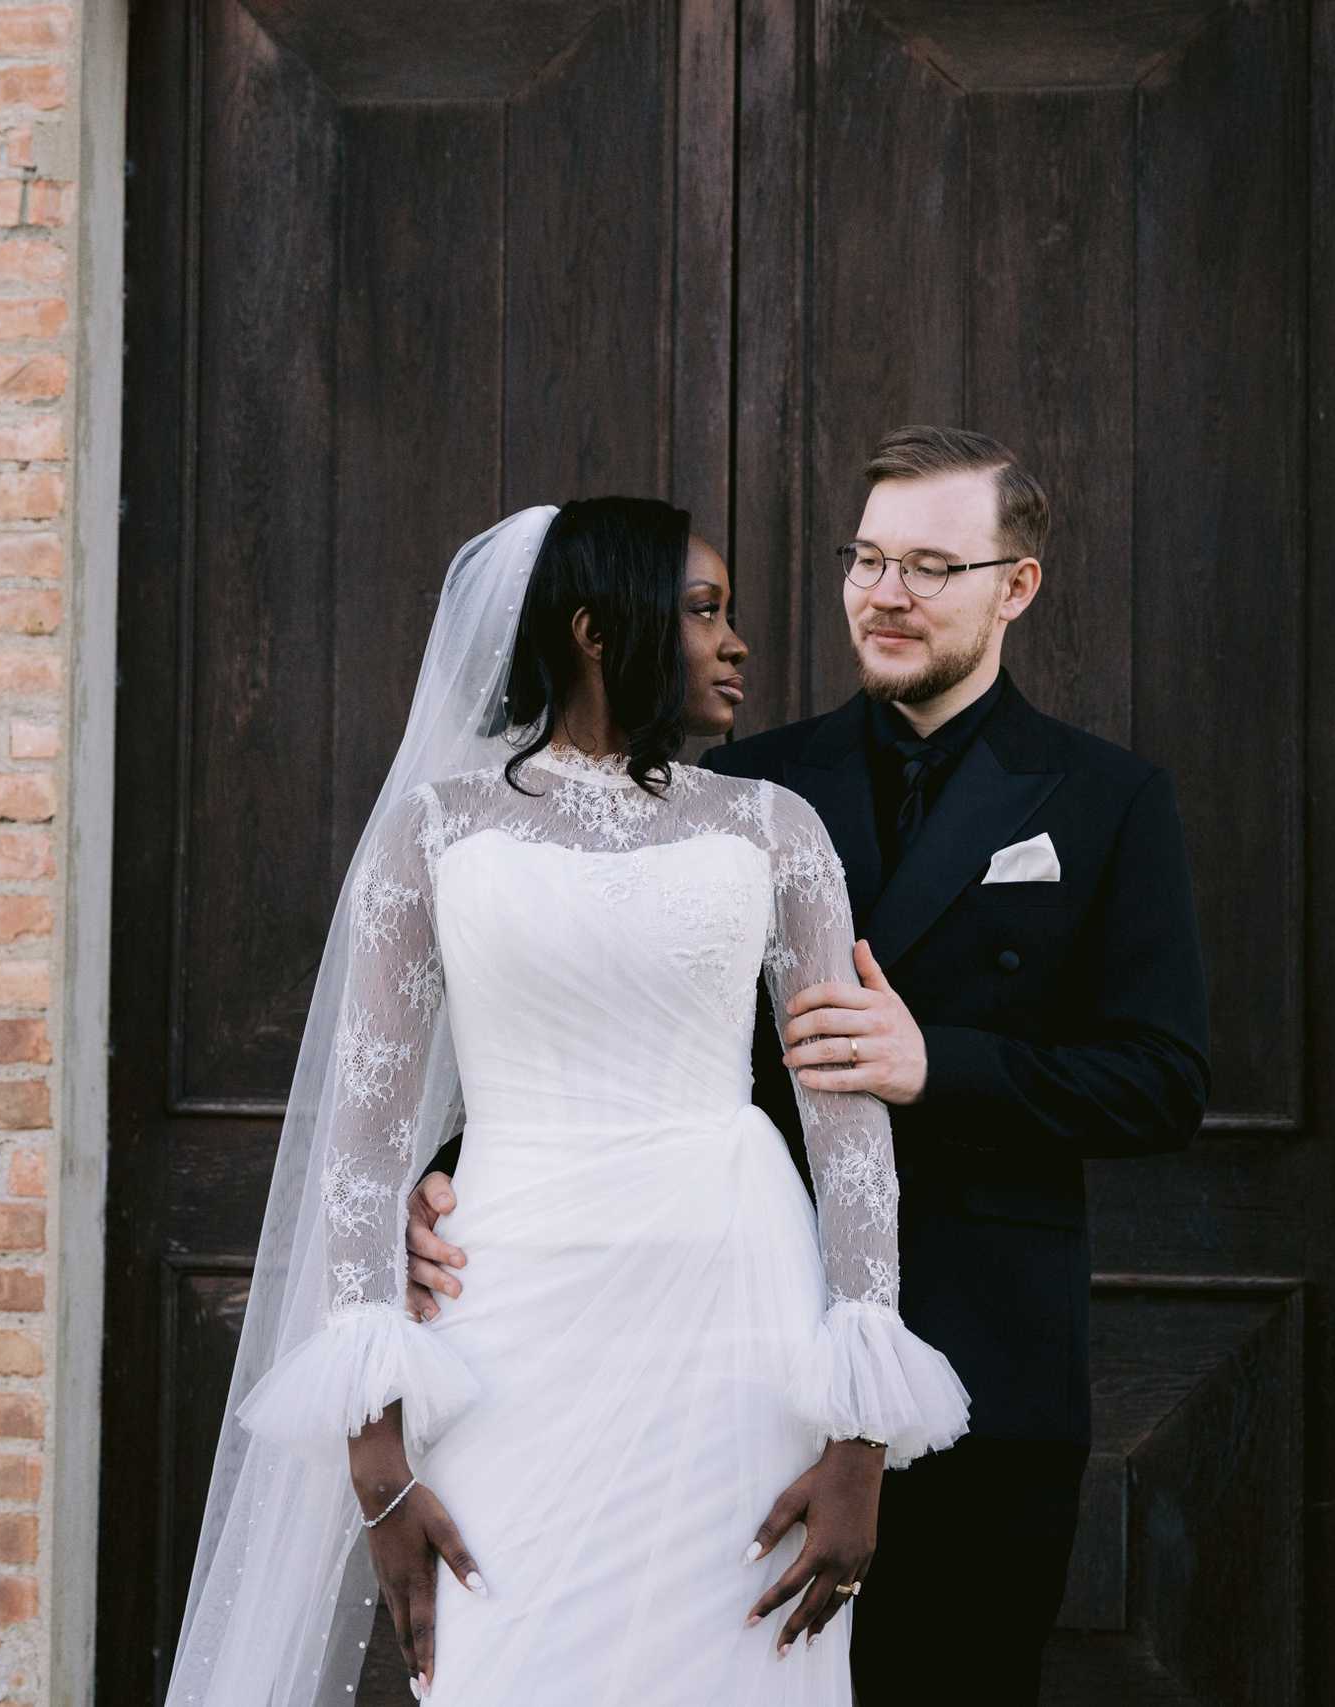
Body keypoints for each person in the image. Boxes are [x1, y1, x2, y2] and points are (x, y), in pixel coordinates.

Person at [409, 428, 1212, 1705]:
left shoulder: (1106, 798)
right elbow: (634, 1020)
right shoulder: (737, 781)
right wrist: (451, 1177)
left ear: (1016, 586)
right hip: (736, 1359)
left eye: (932, 565)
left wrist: (933, 1065)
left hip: (985, 1358)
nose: (885, 594)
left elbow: (1162, 1080)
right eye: (868, 559)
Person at [167, 498, 967, 1707]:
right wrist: (376, 1461)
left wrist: (859, 1443)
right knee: (502, 1662)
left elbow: (848, 1135)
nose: (737, 643)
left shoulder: (775, 829)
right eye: (703, 613)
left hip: (736, 1312)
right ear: (597, 630)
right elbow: (363, 1142)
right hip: (512, 1315)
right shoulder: (435, 831)